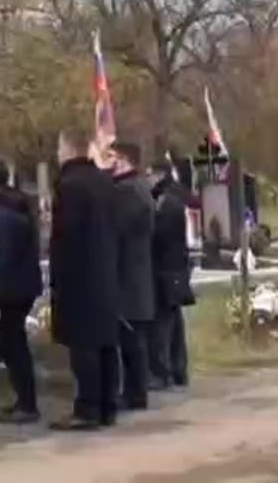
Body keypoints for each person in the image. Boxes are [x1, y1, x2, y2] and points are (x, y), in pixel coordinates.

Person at [49, 127, 119, 430]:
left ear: (68, 149)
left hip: (79, 275)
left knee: (83, 345)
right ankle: (108, 405)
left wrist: (58, 277)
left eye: (59, 148)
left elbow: (66, 237)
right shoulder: (104, 181)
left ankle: (87, 408)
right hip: (105, 270)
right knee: (105, 342)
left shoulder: (70, 185)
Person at [0, 159, 42, 424]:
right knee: (14, 343)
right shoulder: (19, 206)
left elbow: (1, 256)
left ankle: (27, 403)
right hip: (24, 284)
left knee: (13, 345)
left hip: (12, 288)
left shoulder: (1, 215)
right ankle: (24, 399)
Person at [109, 142, 157, 410]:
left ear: (124, 160)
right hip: (135, 272)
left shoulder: (128, 191)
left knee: (132, 339)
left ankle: (135, 392)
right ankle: (135, 390)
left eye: (112, 157)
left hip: (130, 274)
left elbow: (120, 228)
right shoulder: (137, 187)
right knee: (133, 337)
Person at [148, 160, 194, 388]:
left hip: (166, 269)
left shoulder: (166, 202)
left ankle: (162, 372)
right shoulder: (175, 196)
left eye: (149, 175)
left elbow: (158, 235)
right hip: (176, 268)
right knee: (174, 322)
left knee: (163, 324)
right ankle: (178, 371)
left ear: (159, 174)